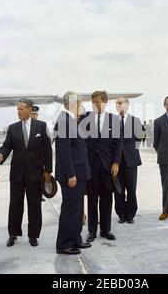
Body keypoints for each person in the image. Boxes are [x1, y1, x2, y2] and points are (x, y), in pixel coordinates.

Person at [0, 98, 52, 247]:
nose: (18, 111)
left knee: (34, 204)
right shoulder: (13, 128)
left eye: (21, 109)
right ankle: (13, 233)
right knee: (15, 204)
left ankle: (33, 235)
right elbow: (6, 146)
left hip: (36, 173)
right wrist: (0, 156)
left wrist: (48, 170)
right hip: (17, 173)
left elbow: (47, 149)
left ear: (29, 109)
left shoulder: (41, 126)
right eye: (17, 109)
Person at [80, 91, 122, 242]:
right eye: (93, 102)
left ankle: (106, 230)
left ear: (105, 102)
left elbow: (118, 143)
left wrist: (116, 162)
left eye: (97, 101)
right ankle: (92, 231)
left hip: (107, 166)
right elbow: (81, 143)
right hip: (91, 165)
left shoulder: (114, 120)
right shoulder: (86, 119)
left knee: (106, 199)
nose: (95, 104)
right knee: (92, 199)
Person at [55, 92, 92, 255]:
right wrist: (71, 174)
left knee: (77, 209)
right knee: (70, 209)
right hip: (72, 175)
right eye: (79, 102)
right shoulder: (64, 121)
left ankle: (75, 239)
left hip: (78, 172)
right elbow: (64, 152)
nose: (81, 105)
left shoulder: (70, 120)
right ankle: (64, 244)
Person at [114, 97, 142, 224]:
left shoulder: (135, 121)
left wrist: (132, 151)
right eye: (117, 104)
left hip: (131, 160)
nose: (119, 105)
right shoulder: (112, 121)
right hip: (117, 161)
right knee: (118, 189)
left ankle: (130, 214)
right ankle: (121, 214)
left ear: (127, 105)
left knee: (131, 188)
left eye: (121, 103)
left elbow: (139, 139)